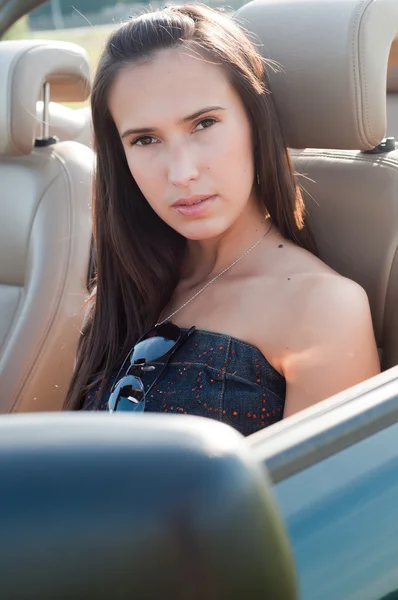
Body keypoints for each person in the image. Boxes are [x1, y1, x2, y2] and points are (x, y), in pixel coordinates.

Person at [64, 4, 380, 436]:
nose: (181, 173)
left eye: (204, 123)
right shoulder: (123, 289)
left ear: (255, 120)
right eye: (145, 139)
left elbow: (322, 497)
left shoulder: (322, 307)